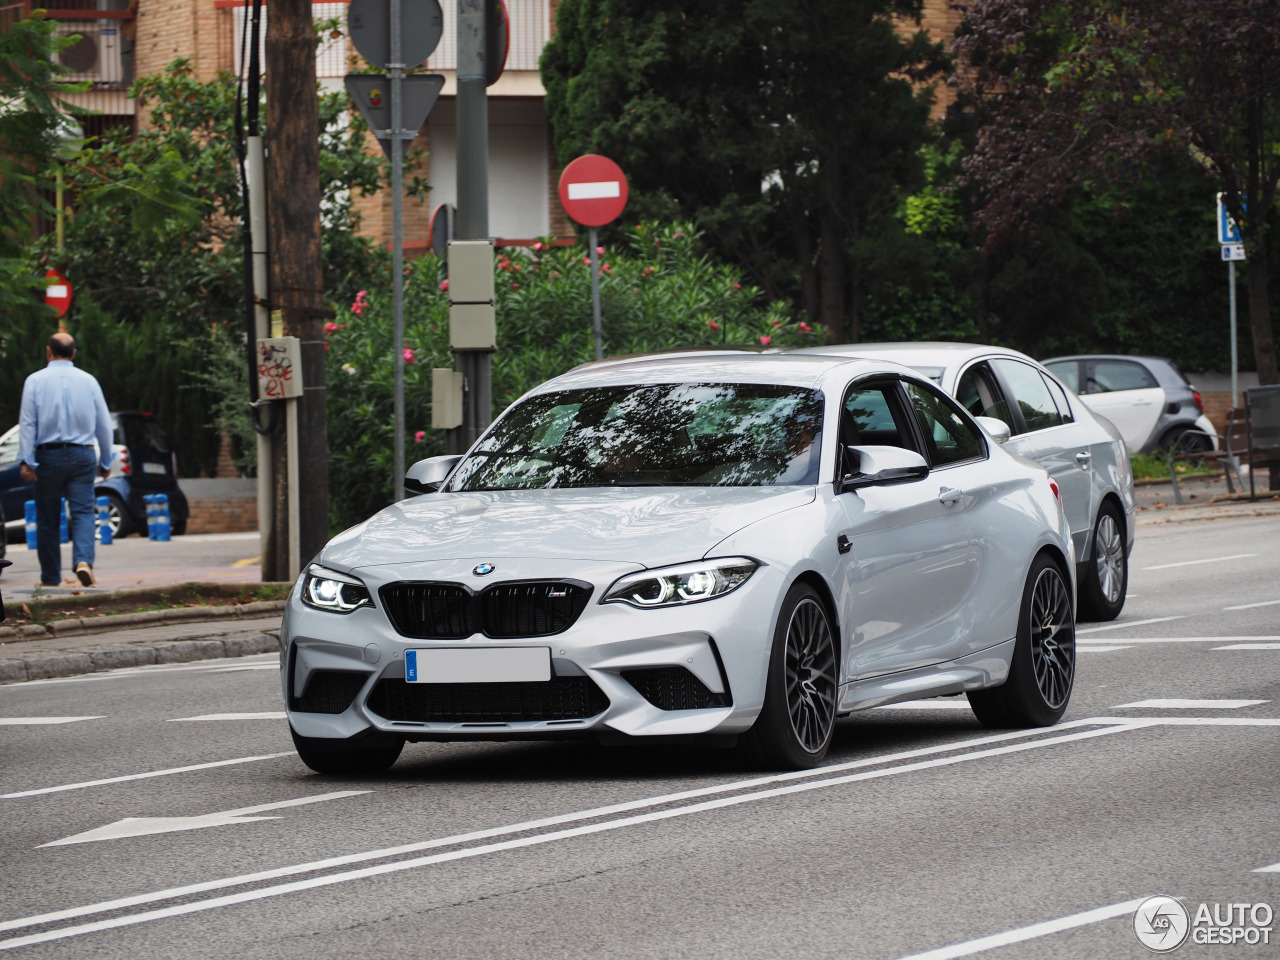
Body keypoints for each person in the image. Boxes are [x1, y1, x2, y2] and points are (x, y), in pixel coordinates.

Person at [18, 333, 113, 588]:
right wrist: (106, 459)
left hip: (47, 455)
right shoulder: (89, 381)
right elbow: (104, 424)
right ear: (74, 353)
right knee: (83, 512)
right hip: (82, 453)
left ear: (48, 352)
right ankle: (83, 562)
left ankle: (51, 577)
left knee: (48, 517)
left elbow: (27, 423)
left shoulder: (34, 381)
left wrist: (26, 460)